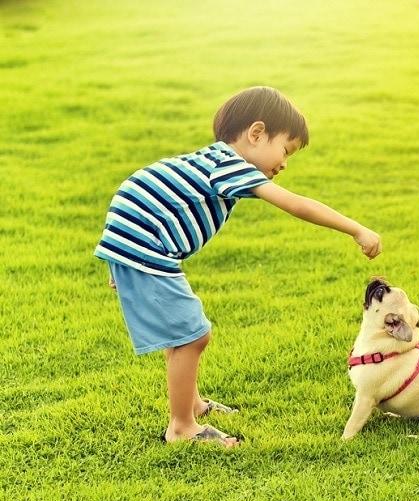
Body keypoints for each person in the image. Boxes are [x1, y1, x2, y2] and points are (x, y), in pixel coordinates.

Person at [94, 86, 382, 447]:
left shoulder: (213, 160)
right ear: (256, 133)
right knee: (192, 336)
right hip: (146, 250)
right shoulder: (231, 164)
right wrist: (356, 229)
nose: (285, 163)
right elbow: (293, 203)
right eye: (285, 150)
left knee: (181, 333)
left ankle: (193, 404)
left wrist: (118, 262)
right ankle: (182, 428)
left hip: (135, 245)